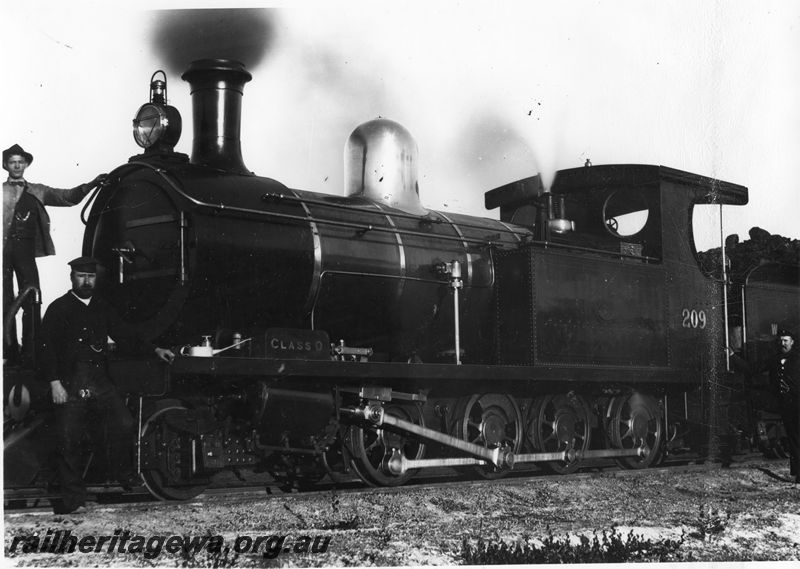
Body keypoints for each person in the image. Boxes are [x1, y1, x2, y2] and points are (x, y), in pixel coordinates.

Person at [39, 256, 175, 514]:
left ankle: (122, 475)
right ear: (71, 278)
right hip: (69, 380)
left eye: (90, 276)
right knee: (68, 438)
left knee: (124, 424)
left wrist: (155, 349)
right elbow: (46, 350)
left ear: (96, 279)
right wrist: (55, 384)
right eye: (81, 275)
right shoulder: (58, 308)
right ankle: (72, 499)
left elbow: (125, 335)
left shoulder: (102, 307)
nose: (86, 281)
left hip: (99, 379)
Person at [3, 143, 107, 364]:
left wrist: (90, 185)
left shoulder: (38, 190)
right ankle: (8, 352)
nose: (17, 166)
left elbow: (67, 197)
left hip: (25, 250)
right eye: (12, 162)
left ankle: (30, 352)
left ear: (26, 164)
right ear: (6, 165)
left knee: (32, 297)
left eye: (20, 162)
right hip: (2, 251)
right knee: (4, 300)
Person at [730, 329, 799, 482]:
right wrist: (733, 357)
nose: (783, 343)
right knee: (794, 439)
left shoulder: (798, 358)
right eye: (781, 340)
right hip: (787, 405)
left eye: (786, 341)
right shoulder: (774, 359)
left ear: (792, 342)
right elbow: (751, 369)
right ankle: (798, 474)